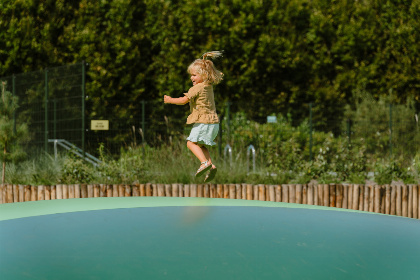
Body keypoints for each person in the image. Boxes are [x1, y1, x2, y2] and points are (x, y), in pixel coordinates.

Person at [164, 51, 223, 182]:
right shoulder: (208, 87)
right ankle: (211, 166)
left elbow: (183, 100)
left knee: (190, 143)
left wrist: (169, 99)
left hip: (204, 122)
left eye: (194, 75)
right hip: (214, 123)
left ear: (203, 74)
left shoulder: (197, 88)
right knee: (201, 146)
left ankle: (204, 163)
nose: (192, 78)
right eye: (191, 75)